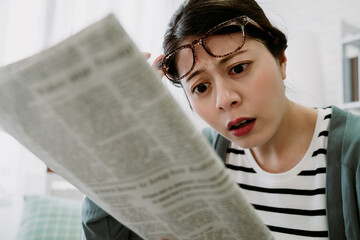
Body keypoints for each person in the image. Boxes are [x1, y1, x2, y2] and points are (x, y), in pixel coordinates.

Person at [82, 0, 360, 239]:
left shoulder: (353, 151)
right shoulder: (199, 158)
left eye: (238, 68)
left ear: (281, 59)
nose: (224, 99)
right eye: (201, 87)